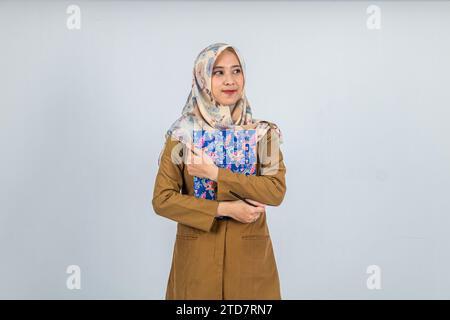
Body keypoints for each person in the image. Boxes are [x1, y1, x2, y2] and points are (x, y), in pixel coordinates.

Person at [152, 43, 287, 300]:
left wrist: (215, 174)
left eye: (236, 71)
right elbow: (162, 200)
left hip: (250, 265)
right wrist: (224, 209)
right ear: (202, 78)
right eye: (218, 72)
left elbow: (275, 191)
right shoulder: (182, 135)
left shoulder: (263, 134)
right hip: (197, 262)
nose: (230, 81)